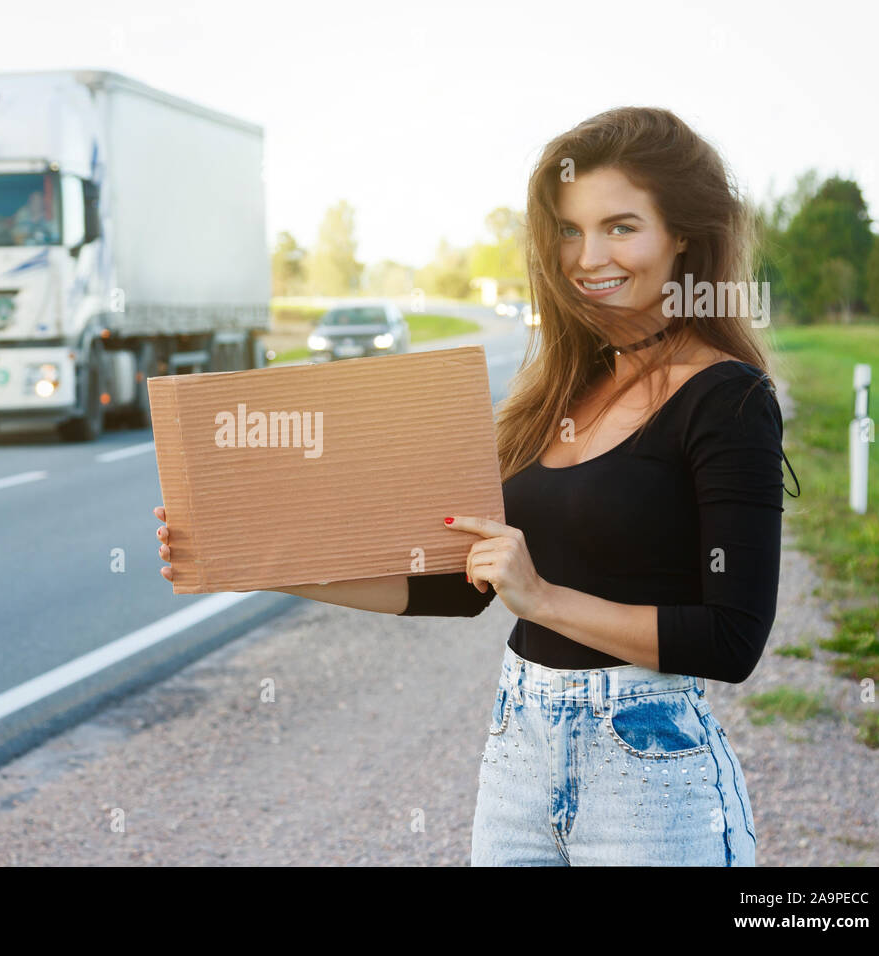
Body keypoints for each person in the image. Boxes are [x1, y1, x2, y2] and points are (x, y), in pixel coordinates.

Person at [153, 106, 798, 866]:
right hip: (517, 755)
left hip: (648, 774)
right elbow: (457, 585)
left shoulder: (727, 400)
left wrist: (544, 600)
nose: (588, 256)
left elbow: (732, 639)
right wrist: (259, 557)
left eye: (621, 227)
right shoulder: (560, 389)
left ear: (683, 234)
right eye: (568, 229)